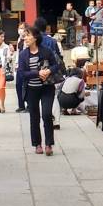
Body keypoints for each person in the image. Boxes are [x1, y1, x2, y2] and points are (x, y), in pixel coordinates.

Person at [19, 26, 60, 156]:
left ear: (35, 37)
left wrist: (48, 71)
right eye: (24, 36)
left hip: (47, 87)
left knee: (47, 114)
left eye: (27, 35)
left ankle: (48, 144)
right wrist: (37, 73)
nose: (25, 38)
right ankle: (37, 144)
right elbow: (22, 73)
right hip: (32, 89)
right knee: (34, 117)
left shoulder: (46, 51)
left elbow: (57, 64)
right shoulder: (23, 54)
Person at [14, 23, 29, 113]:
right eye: (19, 28)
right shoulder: (19, 39)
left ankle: (29, 105)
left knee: (27, 86)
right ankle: (21, 105)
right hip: (19, 65)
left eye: (22, 28)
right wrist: (16, 63)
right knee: (18, 85)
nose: (20, 30)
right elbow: (18, 52)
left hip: (27, 66)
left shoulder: (28, 39)